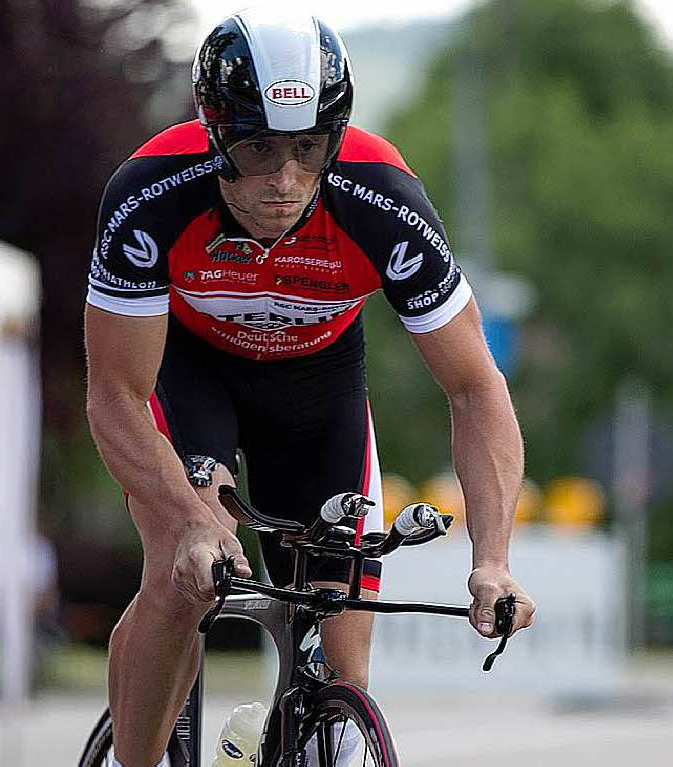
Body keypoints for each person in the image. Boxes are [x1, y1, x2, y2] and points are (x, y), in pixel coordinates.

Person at [84, 10, 537, 767]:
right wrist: (191, 518)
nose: (284, 179)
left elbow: (475, 387)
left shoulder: (383, 198)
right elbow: (114, 398)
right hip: (192, 373)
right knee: (184, 571)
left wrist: (491, 557)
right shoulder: (151, 194)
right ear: (214, 132)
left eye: (306, 149)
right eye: (258, 149)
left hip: (320, 384)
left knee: (345, 660)